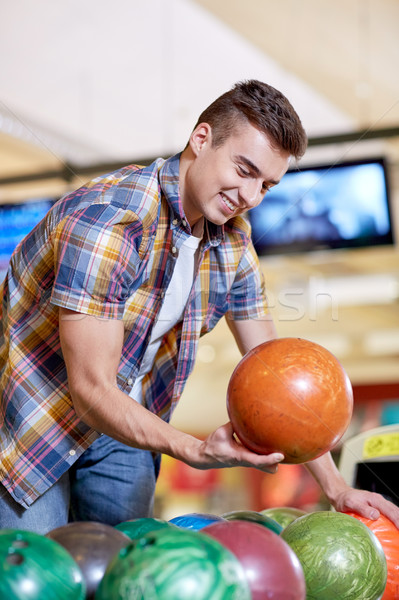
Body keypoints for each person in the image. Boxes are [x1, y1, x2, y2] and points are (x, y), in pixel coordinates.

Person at [1, 80, 398, 534]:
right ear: (201, 138)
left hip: (124, 422)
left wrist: (335, 486)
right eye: (244, 169)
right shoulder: (110, 220)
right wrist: (192, 449)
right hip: (33, 415)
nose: (250, 196)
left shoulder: (233, 243)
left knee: (127, 573)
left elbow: (280, 381)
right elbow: (91, 391)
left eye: (266, 185)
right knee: (37, 575)